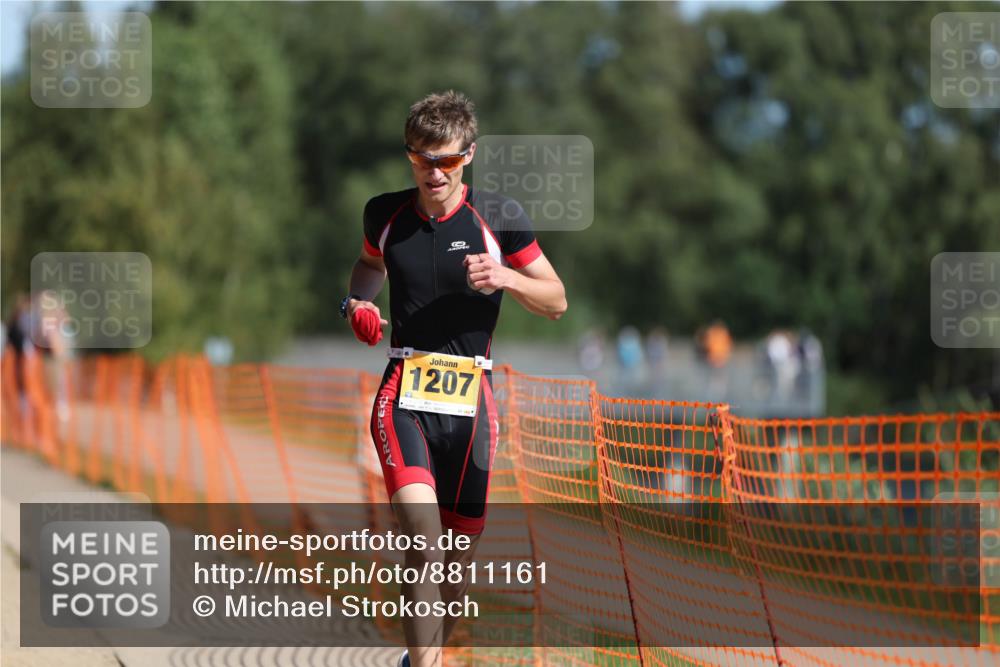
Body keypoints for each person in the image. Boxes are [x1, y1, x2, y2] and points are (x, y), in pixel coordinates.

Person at [341, 91, 567, 667]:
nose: (433, 172)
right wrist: (356, 305)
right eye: (421, 159)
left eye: (445, 160)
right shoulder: (384, 215)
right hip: (403, 397)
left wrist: (506, 279)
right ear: (409, 156)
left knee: (454, 576)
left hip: (473, 406)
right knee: (422, 545)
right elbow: (369, 267)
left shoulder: (500, 218)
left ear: (468, 155)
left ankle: (422, 657)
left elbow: (557, 300)